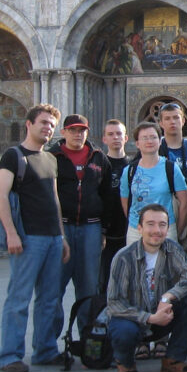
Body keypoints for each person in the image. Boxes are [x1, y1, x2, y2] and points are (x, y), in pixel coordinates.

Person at [0, 104, 70, 372]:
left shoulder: (50, 159)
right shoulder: (13, 156)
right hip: (28, 237)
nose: (47, 128)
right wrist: (11, 233)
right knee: (19, 298)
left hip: (51, 237)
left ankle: (45, 350)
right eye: (43, 123)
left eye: (51, 124)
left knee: (50, 298)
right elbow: (1, 195)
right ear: (29, 124)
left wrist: (61, 236)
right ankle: (10, 356)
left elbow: (54, 199)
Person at [106, 203, 187, 372]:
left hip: (162, 314)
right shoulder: (123, 257)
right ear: (140, 228)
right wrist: (150, 318)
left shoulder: (172, 248)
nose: (157, 230)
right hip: (133, 320)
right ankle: (125, 361)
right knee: (123, 331)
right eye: (150, 224)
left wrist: (168, 297)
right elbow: (114, 303)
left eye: (162, 225)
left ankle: (173, 359)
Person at [49, 114, 111, 339]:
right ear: (63, 132)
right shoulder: (51, 157)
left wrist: (104, 230)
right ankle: (48, 344)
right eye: (73, 130)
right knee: (54, 287)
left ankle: (88, 341)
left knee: (88, 289)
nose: (78, 134)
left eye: (82, 130)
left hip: (91, 228)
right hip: (61, 228)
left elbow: (105, 195)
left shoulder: (98, 158)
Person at [120, 122, 187, 245]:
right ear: (137, 143)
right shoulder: (129, 171)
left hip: (165, 229)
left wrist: (175, 230)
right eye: (144, 138)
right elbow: (126, 202)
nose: (149, 141)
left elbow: (185, 202)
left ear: (160, 141)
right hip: (137, 231)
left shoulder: (171, 168)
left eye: (153, 137)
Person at [100, 120, 131, 292]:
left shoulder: (133, 166)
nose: (115, 138)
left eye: (119, 134)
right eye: (111, 134)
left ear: (125, 138)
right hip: (106, 235)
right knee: (104, 281)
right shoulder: (99, 166)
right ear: (104, 139)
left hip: (128, 232)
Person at [158, 102, 187, 205]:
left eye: (176, 117)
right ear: (161, 123)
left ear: (183, 121)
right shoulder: (154, 150)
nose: (172, 122)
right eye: (167, 119)